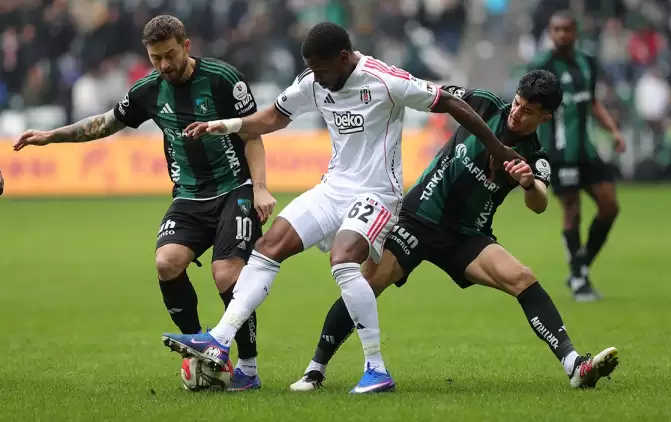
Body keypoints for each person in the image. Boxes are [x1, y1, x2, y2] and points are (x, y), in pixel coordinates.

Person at [161, 22, 525, 394]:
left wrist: (497, 148)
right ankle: (221, 340)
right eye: (311, 70)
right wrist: (225, 125)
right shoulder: (314, 80)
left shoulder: (385, 80)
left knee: (343, 259)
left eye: (321, 69)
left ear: (343, 57)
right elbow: (274, 116)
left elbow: (449, 102)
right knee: (268, 246)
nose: (316, 78)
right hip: (333, 188)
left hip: (377, 194)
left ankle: (376, 369)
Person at [288, 74, 619, 392]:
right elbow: (435, 95)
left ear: (545, 118)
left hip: (466, 235)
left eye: (528, 111)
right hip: (416, 219)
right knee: (368, 282)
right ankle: (316, 369)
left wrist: (529, 184)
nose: (517, 113)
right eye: (517, 103)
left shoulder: (535, 156)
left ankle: (574, 365)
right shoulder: (484, 104)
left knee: (523, 279)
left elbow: (539, 204)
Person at [12, 15, 276, 392]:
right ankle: (201, 347)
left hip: (235, 188)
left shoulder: (223, 79)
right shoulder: (148, 90)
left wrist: (260, 188)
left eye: (169, 55)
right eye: (155, 58)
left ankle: (248, 368)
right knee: (166, 263)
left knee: (226, 274)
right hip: (188, 195)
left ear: (186, 46)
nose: (163, 65)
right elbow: (105, 123)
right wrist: (52, 136)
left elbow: (253, 134)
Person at [526, 11, 625, 302]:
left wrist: (613, 130)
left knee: (610, 206)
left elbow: (592, 102)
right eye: (556, 30)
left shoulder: (587, 63)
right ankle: (580, 279)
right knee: (572, 211)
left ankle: (579, 266)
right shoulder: (541, 67)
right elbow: (526, 107)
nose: (561, 35)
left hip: (586, 150)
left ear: (575, 32)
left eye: (566, 29)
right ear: (550, 32)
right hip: (558, 153)